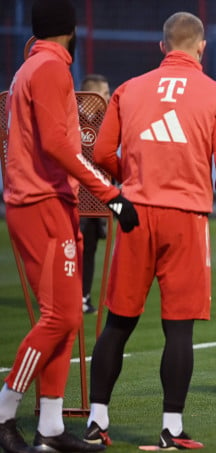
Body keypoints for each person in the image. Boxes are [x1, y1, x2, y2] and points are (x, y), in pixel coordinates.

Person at [83, 11, 216, 450]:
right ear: (202, 47)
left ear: (161, 47)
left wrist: (128, 178)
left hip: (134, 213)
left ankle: (97, 421)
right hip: (186, 217)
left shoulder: (128, 88)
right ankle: (171, 428)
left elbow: (99, 151)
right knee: (179, 329)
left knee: (118, 322)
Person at [0, 0, 139, 452]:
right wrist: (112, 194)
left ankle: (51, 429)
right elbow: (60, 146)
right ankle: (4, 409)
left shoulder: (32, 66)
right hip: (40, 201)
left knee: (65, 317)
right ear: (70, 30)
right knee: (61, 316)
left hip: (42, 200)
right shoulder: (49, 68)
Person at [78, 74, 111, 315]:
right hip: (73, 197)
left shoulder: (105, 121)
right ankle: (65, 296)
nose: (109, 98)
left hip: (96, 199)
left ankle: (83, 296)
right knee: (71, 250)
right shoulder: (71, 118)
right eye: (105, 93)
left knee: (90, 249)